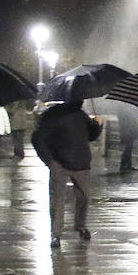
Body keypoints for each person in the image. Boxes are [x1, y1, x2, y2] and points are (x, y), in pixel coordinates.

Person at [31, 100, 101, 248]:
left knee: (84, 197)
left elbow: (90, 135)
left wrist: (97, 126)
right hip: (59, 163)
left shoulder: (80, 115)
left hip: (80, 162)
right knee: (58, 200)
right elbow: (38, 138)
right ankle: (56, 234)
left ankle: (80, 226)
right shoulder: (52, 115)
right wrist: (50, 161)